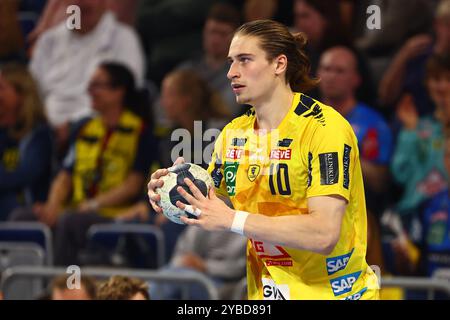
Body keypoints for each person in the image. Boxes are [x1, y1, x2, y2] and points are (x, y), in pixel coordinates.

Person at [148, 19, 379, 300]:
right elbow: (213, 208)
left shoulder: (325, 128)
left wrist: (233, 218)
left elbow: (323, 235)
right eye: (231, 62)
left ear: (279, 65)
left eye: (245, 60)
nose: (232, 72)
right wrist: (175, 192)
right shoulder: (232, 135)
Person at [10, 62, 156, 266]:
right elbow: (65, 176)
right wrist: (52, 206)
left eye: (97, 85)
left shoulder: (140, 132)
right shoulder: (85, 129)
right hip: (76, 208)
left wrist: (93, 205)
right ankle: (22, 288)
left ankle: (60, 289)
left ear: (118, 91)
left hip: (111, 214)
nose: (90, 91)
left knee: (70, 222)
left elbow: (132, 185)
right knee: (22, 218)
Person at [30, 0, 145, 151]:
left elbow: (127, 94)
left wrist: (74, 126)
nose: (82, 3)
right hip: (44, 132)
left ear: (104, 3)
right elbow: (31, 92)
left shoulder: (124, 39)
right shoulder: (48, 41)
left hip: (100, 132)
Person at [317, 46, 393, 218]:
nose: (331, 76)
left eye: (340, 71)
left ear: (356, 79)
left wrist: (345, 152)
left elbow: (380, 182)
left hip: (356, 212)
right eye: (326, 69)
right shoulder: (303, 117)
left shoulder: (373, 123)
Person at [0, 64, 53, 220]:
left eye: (2, 88)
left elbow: (26, 173)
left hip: (27, 207)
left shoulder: (39, 134)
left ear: (21, 94)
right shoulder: (2, 133)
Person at [176, 2, 242, 118]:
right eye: (212, 32)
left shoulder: (240, 74)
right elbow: (164, 110)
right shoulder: (188, 69)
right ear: (204, 33)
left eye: (222, 34)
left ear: (235, 37)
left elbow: (227, 111)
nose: (215, 40)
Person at [149, 225, 247, 299]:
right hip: (188, 271)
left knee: (170, 278)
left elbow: (239, 268)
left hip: (222, 282)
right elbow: (182, 251)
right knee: (171, 278)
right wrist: (186, 260)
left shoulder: (245, 226)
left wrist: (205, 265)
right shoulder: (207, 215)